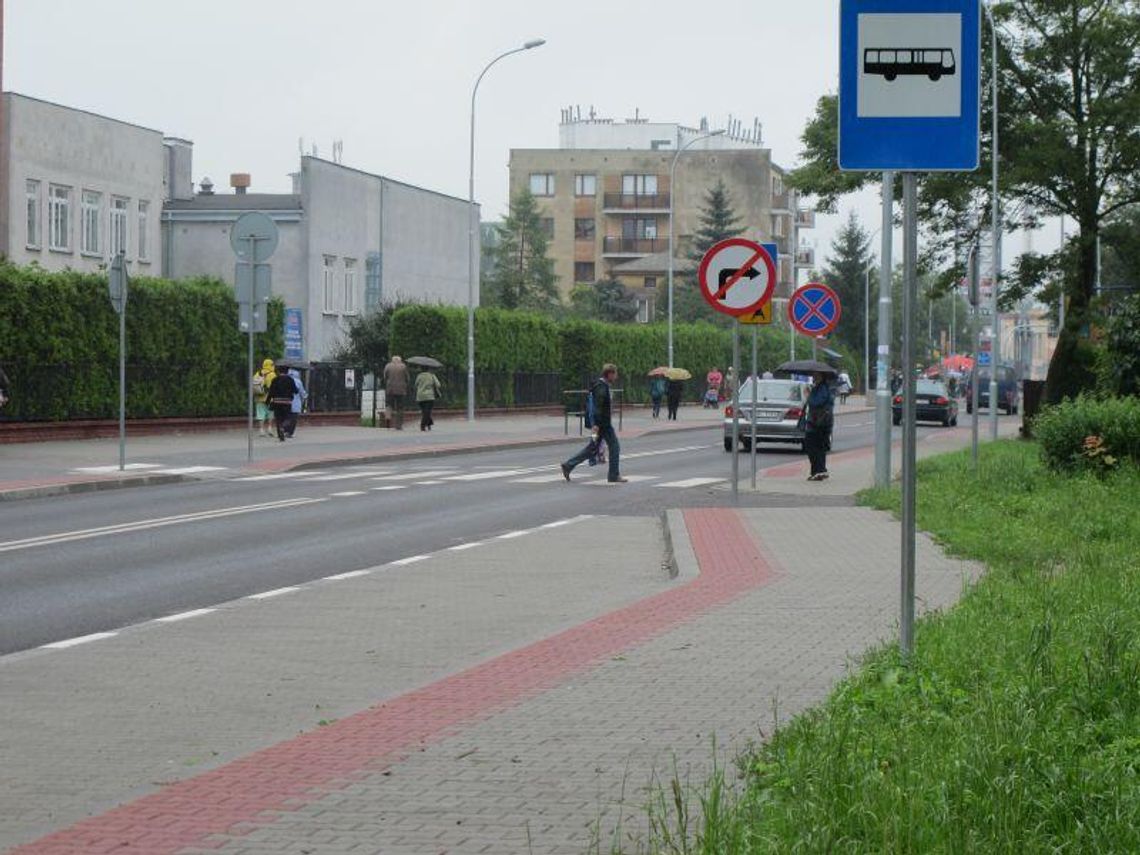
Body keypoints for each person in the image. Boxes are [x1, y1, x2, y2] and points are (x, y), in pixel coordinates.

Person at [562, 363, 626, 483]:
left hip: (600, 425)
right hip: (602, 426)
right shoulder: (601, 387)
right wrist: (596, 425)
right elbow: (598, 408)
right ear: (610, 374)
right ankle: (613, 475)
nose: (616, 377)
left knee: (592, 448)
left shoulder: (600, 385)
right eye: (615, 374)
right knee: (615, 447)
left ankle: (568, 465)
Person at [803, 372, 835, 481]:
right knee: (819, 447)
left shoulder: (823, 389)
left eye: (816, 376)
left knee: (813, 446)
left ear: (822, 377)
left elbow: (816, 403)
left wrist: (808, 396)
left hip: (818, 423)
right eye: (813, 376)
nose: (814, 377)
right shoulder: (821, 388)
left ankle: (819, 470)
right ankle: (817, 471)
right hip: (821, 422)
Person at [265, 368, 299, 442]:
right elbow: (295, 391)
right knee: (288, 417)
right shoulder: (290, 379)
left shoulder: (275, 380)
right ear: (287, 372)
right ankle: (283, 426)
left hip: (276, 402)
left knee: (278, 419)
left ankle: (281, 437)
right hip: (287, 402)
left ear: (278, 372)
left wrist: (267, 401)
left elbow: (271, 392)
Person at [383, 355, 410, 430]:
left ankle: (388, 418)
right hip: (401, 390)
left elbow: (385, 377)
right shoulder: (403, 366)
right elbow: (407, 378)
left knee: (389, 405)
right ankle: (398, 425)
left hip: (390, 389)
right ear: (400, 360)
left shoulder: (388, 366)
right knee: (400, 408)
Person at [253, 358, 276, 437]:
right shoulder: (272, 374)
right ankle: (270, 428)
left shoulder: (258, 373)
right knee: (270, 413)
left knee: (260, 414)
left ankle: (261, 430)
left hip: (259, 397)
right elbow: (273, 386)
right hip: (269, 398)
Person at [415, 367, 442, 431]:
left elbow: (416, 384)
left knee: (424, 411)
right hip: (429, 396)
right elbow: (438, 385)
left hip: (420, 396)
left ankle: (429, 423)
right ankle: (423, 425)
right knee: (427, 411)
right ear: (429, 369)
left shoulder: (419, 376)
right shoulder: (432, 376)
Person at [286, 368, 307, 439]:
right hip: (296, 403)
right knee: (293, 418)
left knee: (287, 417)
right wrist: (305, 396)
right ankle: (290, 432)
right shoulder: (298, 381)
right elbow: (302, 392)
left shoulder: (286, 380)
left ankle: (285, 430)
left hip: (286, 402)